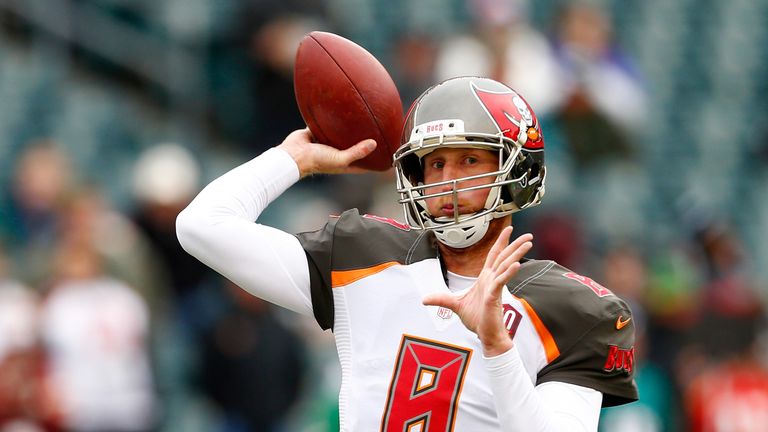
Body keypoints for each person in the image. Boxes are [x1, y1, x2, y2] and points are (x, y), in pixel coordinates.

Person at [177, 76, 638, 431]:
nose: (448, 181)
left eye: (470, 160)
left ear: (518, 170)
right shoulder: (361, 255)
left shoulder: (573, 309)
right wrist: (291, 161)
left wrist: (497, 346)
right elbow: (201, 227)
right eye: (435, 163)